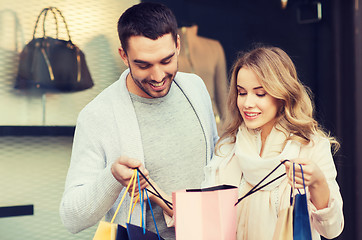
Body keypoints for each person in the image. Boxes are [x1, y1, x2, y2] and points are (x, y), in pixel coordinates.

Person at [59, 2, 218, 239]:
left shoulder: (195, 88)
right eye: (143, 65)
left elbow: (216, 167)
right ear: (124, 56)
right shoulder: (97, 116)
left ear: (177, 44)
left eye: (166, 61)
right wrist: (112, 178)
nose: (157, 76)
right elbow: (72, 217)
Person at [203, 46, 344, 239]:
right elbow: (205, 216)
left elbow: (332, 230)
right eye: (242, 93)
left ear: (282, 95)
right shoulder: (228, 147)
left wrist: (317, 182)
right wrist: (155, 194)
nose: (247, 103)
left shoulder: (310, 145)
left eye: (260, 94)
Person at [177, 25, 229, 133]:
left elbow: (223, 97)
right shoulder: (166, 51)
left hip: (213, 125)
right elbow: (222, 96)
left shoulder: (214, 47)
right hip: (184, 127)